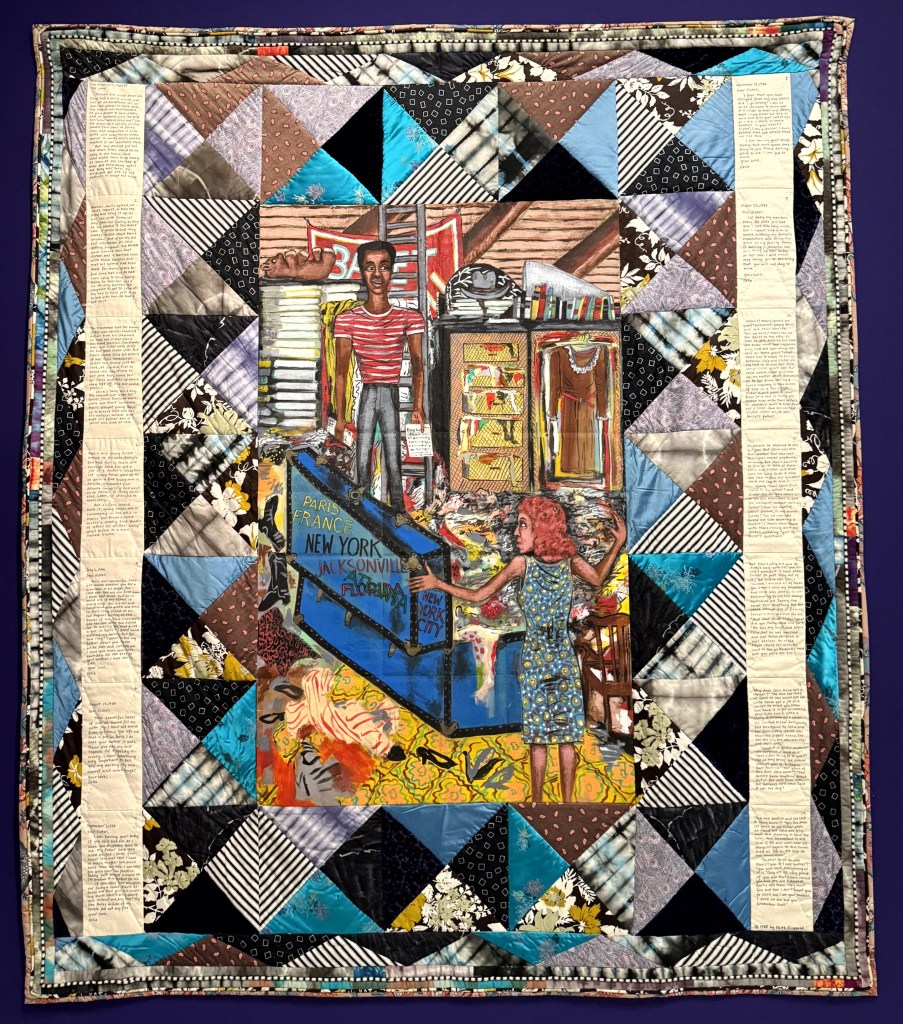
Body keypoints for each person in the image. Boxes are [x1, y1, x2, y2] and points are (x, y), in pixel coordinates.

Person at [411, 497, 626, 802]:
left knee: (544, 738)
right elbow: (597, 577)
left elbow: (478, 596)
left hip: (539, 658)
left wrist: (438, 584)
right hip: (560, 657)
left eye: (523, 525)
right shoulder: (556, 562)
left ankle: (541, 803)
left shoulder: (527, 564)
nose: (515, 532)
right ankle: (557, 804)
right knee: (559, 738)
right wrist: (438, 584)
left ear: (542, 529)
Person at [333, 240, 426, 511]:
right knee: (362, 454)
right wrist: (341, 417)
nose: (376, 274)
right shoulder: (347, 320)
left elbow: (418, 364)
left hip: (391, 393)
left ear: (392, 271)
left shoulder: (409, 318)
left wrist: (417, 407)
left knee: (394, 457)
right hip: (368, 392)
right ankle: (362, 511)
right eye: (369, 267)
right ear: (361, 271)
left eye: (383, 267)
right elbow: (341, 372)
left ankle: (397, 511)